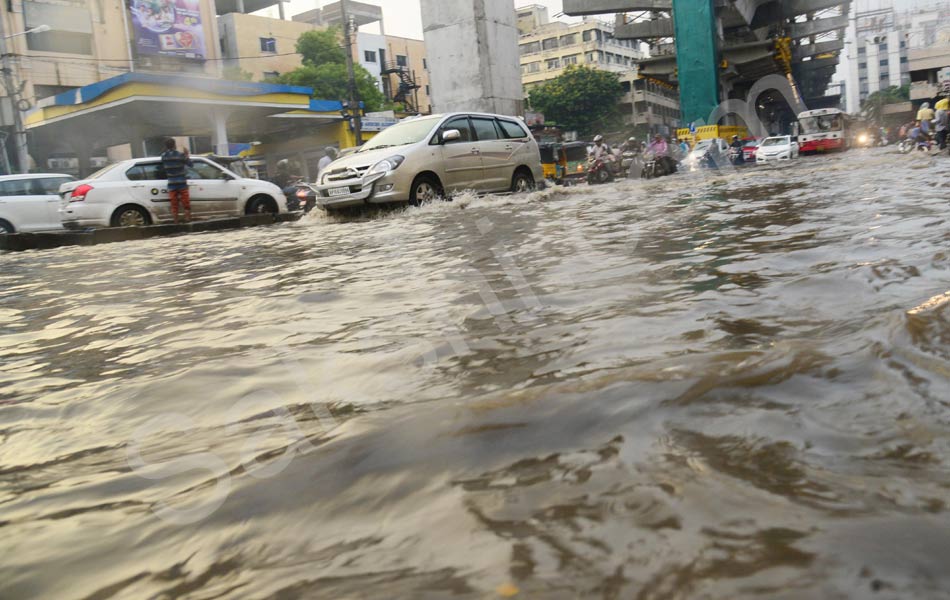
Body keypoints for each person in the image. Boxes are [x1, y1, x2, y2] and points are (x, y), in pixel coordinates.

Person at [160, 139, 192, 224]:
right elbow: (190, 164)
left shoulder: (163, 156)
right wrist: (187, 154)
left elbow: (163, 164)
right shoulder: (180, 155)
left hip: (171, 184)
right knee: (186, 203)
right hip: (182, 183)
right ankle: (187, 219)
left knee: (174, 204)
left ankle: (176, 221)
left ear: (166, 146)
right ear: (174, 145)